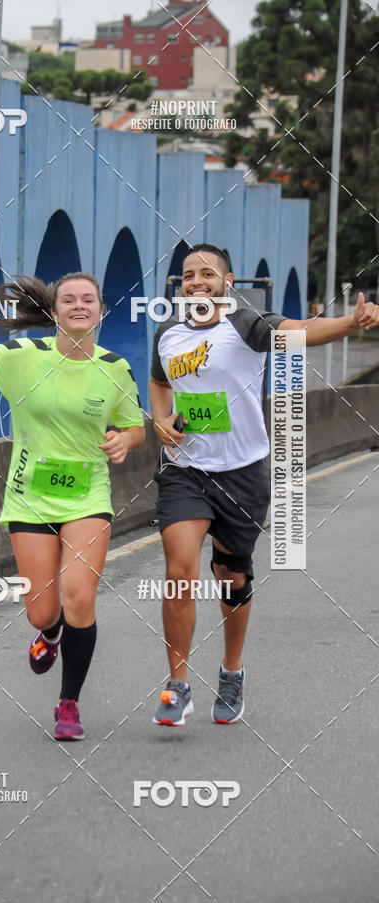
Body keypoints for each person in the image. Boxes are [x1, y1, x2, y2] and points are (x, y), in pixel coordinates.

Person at [149, 243, 379, 728]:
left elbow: (302, 331)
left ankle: (231, 672)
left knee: (232, 578)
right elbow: (159, 383)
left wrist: (349, 323)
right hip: (186, 470)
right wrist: (160, 418)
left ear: (226, 283)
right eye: (188, 276)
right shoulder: (167, 334)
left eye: (207, 274)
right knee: (179, 568)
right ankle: (177, 685)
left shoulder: (247, 325)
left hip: (243, 473)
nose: (196, 282)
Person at [0, 273, 145, 741]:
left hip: (88, 496)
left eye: (89, 299)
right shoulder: (23, 358)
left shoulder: (116, 368)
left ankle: (68, 704)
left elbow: (136, 426)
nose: (79, 306)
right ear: (54, 312)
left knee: (80, 597)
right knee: (42, 611)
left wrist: (123, 441)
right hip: (29, 498)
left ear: (101, 311)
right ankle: (49, 635)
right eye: (69, 299)